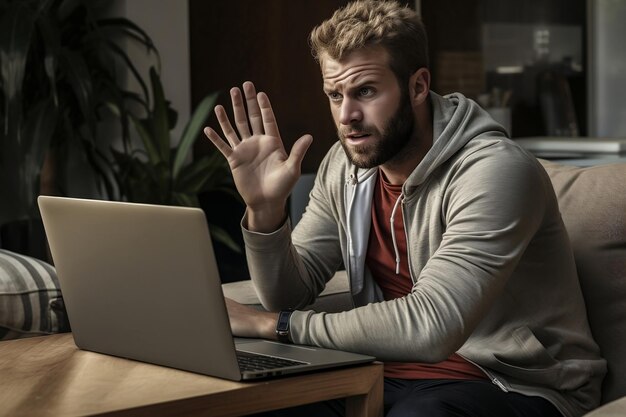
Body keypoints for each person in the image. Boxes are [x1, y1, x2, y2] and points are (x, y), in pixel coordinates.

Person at [203, 1, 606, 416]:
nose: (347, 116)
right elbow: (288, 293)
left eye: (366, 91)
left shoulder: (495, 170)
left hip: (513, 384)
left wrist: (276, 326)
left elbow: (432, 325)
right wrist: (266, 212)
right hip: (383, 372)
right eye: (334, 94)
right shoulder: (345, 165)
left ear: (417, 86)